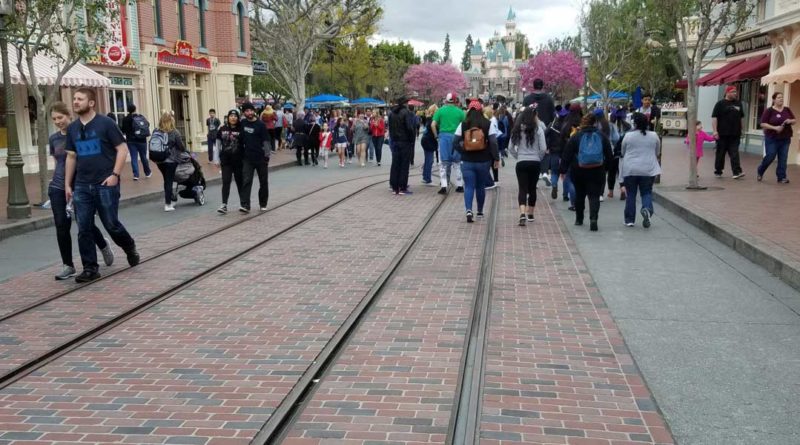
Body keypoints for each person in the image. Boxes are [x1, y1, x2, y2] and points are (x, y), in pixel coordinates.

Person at [64, 88, 139, 283]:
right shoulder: (72, 129)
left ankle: (129, 246)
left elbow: (122, 149)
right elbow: (71, 156)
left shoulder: (106, 123)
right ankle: (90, 267)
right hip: (81, 185)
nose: (75, 102)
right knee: (84, 228)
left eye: (80, 99)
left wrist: (115, 175)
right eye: (74, 99)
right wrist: (67, 184)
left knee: (111, 225)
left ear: (91, 103)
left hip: (106, 183)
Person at [49, 102, 114, 280]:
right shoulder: (54, 138)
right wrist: (58, 181)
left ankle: (102, 245)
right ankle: (68, 265)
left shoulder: (80, 133)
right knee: (62, 226)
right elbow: (58, 162)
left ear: (69, 115)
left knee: (84, 223)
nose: (57, 121)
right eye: (54, 119)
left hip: (80, 184)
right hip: (58, 187)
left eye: (60, 117)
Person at [559, 113, 613, 232]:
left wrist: (563, 169)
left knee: (580, 194)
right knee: (594, 195)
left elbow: (567, 154)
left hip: (579, 169)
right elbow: (609, 154)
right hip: (597, 170)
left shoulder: (576, 136)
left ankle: (579, 218)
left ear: (582, 123)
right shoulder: (602, 136)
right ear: (595, 123)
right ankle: (593, 218)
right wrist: (607, 168)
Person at [453, 99, 500, 222]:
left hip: (467, 160)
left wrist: (463, 150)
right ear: (481, 110)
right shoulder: (488, 123)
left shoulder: (463, 124)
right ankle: (479, 211)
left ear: (469, 110)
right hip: (483, 160)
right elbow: (494, 142)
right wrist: (496, 158)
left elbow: (455, 142)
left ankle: (469, 210)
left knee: (468, 186)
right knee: (480, 186)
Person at [621, 113, 661, 228]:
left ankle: (629, 220)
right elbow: (657, 152)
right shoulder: (654, 135)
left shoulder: (628, 136)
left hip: (630, 169)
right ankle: (647, 209)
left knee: (631, 194)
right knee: (646, 192)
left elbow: (623, 152)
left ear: (635, 123)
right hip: (648, 169)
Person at [509, 105, 547, 226]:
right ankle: (530, 213)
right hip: (535, 162)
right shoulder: (538, 129)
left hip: (521, 162)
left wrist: (518, 156)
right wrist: (539, 158)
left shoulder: (517, 129)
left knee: (522, 188)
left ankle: (522, 213)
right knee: (532, 188)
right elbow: (543, 148)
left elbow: (510, 148)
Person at [239, 101, 271, 211]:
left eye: (251, 110)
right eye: (247, 111)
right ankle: (245, 205)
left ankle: (263, 203)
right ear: (244, 113)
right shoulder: (242, 123)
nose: (249, 112)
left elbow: (266, 140)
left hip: (261, 157)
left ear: (254, 111)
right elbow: (239, 137)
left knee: (263, 181)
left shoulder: (261, 125)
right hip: (247, 158)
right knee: (246, 181)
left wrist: (267, 155)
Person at [432, 93, 466, 195]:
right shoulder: (460, 112)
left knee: (443, 163)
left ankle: (444, 186)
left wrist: (436, 136)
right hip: (457, 138)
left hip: (444, 138)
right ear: (455, 101)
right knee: (457, 162)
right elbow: (465, 125)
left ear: (446, 100)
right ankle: (460, 185)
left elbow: (433, 125)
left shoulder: (440, 111)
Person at [758, 92, 796, 183]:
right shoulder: (769, 110)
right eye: (779, 97)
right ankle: (760, 170)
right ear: (774, 100)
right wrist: (775, 128)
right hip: (772, 138)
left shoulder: (787, 109)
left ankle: (781, 177)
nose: (781, 99)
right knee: (770, 156)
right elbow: (762, 124)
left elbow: (794, 120)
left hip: (785, 138)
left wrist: (790, 120)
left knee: (783, 158)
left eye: (782, 97)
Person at [154, 112, 186, 212]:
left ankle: (170, 197)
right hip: (171, 160)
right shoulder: (174, 132)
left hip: (159, 160)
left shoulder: (156, 131)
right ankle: (168, 204)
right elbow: (181, 147)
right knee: (169, 181)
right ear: (171, 120)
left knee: (166, 180)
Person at [213, 109, 244, 214]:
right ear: (228, 117)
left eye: (235, 116)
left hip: (239, 161)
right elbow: (217, 145)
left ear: (238, 118)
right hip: (226, 161)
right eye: (231, 116)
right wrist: (216, 159)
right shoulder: (222, 129)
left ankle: (243, 203)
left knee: (240, 182)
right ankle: (224, 204)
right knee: (226, 181)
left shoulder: (241, 129)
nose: (233, 118)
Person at [712, 85, 746, 179]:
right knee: (720, 153)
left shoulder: (738, 104)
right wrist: (715, 131)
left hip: (735, 133)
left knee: (734, 153)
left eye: (736, 92)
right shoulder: (720, 104)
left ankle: (736, 172)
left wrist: (742, 129)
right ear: (727, 92)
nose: (735, 93)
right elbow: (714, 118)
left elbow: (741, 118)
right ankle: (718, 170)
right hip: (722, 133)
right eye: (733, 92)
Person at [388, 96, 416, 195]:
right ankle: (402, 187)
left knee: (395, 163)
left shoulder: (391, 113)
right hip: (404, 141)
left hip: (395, 141)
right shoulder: (406, 113)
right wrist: (412, 139)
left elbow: (390, 128)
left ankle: (394, 186)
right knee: (404, 164)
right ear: (405, 103)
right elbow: (409, 128)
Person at [119, 104, 152, 181]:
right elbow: (147, 124)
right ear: (135, 109)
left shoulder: (125, 119)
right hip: (142, 140)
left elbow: (123, 130)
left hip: (131, 141)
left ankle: (136, 175)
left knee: (134, 158)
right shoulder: (140, 116)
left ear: (128, 110)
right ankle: (147, 172)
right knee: (143, 157)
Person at [420, 104, 439, 186]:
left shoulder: (429, 118)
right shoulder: (432, 120)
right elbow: (434, 130)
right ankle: (427, 179)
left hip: (426, 140)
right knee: (429, 160)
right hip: (429, 141)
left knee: (428, 159)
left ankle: (425, 177)